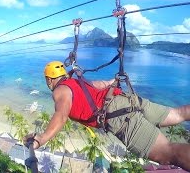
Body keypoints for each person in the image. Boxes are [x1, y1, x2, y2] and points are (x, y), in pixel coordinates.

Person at [23, 61, 190, 171]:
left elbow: (61, 116)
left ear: (49, 80)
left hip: (119, 117)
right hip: (127, 100)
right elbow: (102, 84)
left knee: (168, 153)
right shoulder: (79, 82)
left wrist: (42, 138)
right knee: (179, 113)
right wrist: (113, 81)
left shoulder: (60, 90)